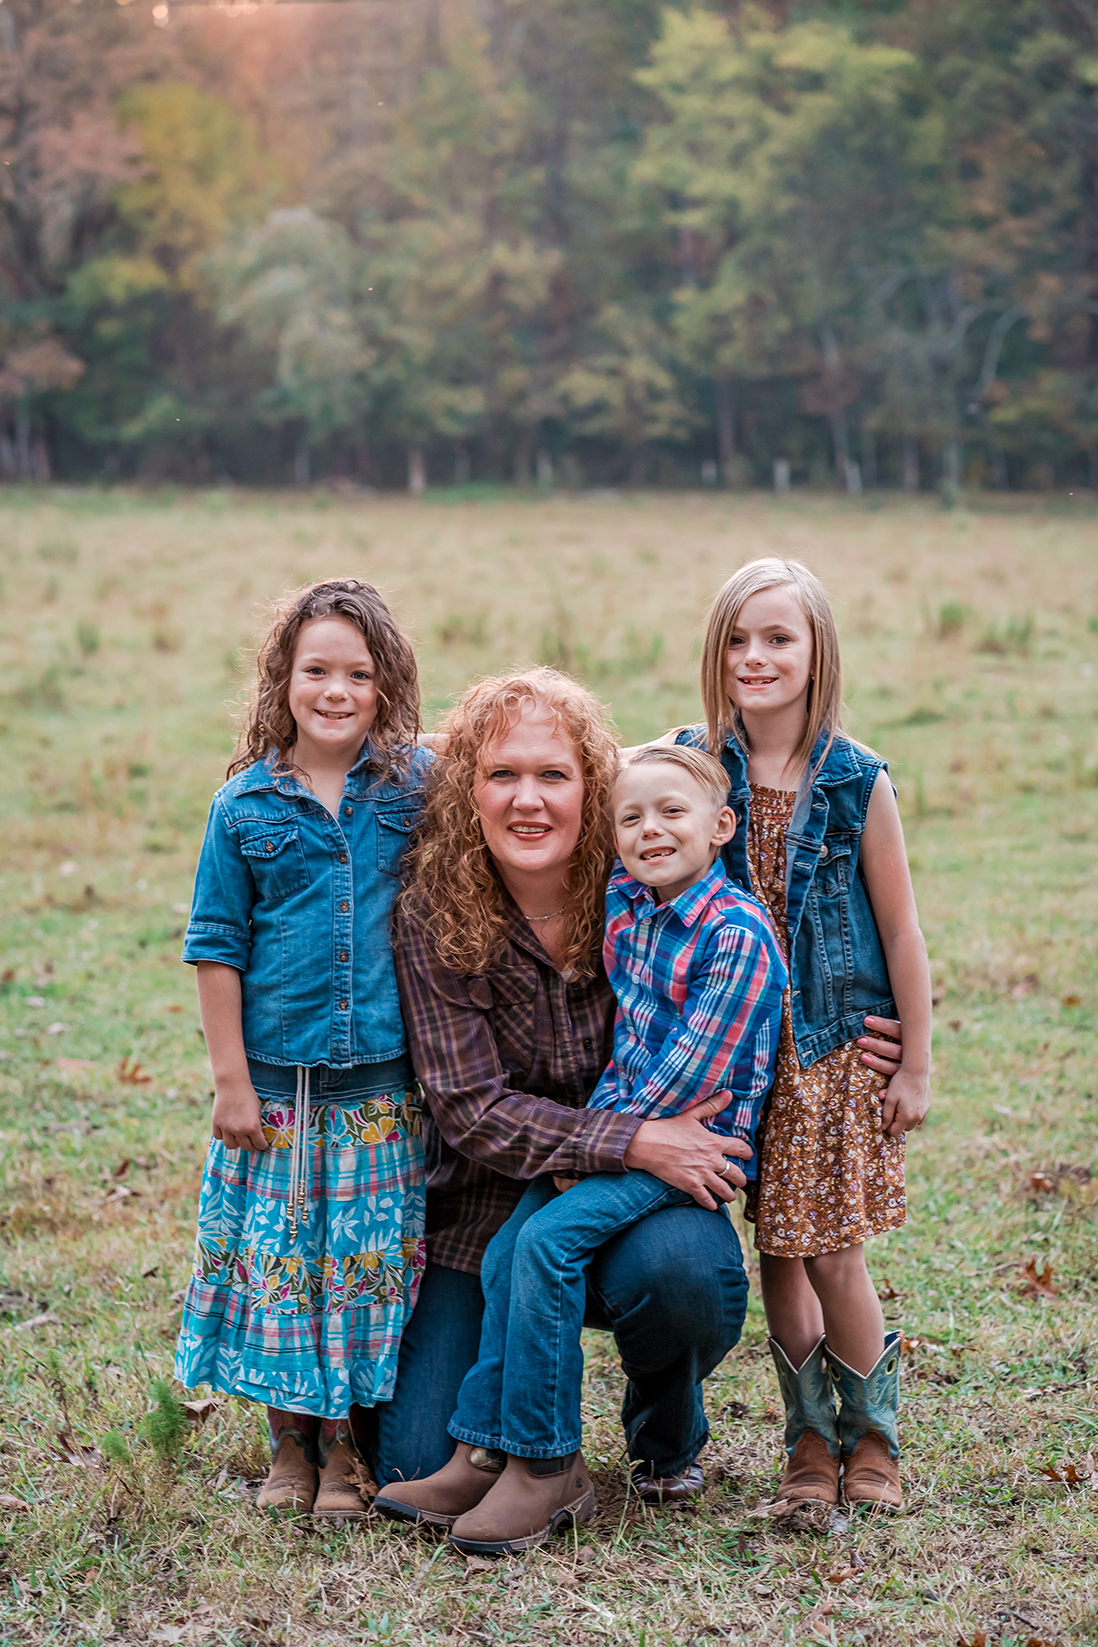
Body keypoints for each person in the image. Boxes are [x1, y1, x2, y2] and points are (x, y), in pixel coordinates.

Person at [370, 666, 905, 1509]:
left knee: (663, 1273)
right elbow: (470, 1109)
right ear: (466, 790)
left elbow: (709, 1039)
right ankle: (487, 1451)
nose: (528, 798)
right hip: (491, 1200)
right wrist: (620, 1138)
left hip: (656, 1177)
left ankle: (573, 1460)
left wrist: (893, 1022)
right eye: (499, 774)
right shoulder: (455, 908)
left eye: (555, 775)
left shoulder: (651, 894)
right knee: (408, 1453)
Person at [375, 742, 786, 1553]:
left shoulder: (735, 935)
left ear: (720, 826)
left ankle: (548, 1464)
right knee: (505, 1254)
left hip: (688, 1140)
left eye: (673, 814)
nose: (651, 829)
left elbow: (684, 1077)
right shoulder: (630, 902)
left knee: (550, 1244)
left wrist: (597, 1148)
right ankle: (478, 1447)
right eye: (632, 818)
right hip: (615, 1135)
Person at [674, 557, 931, 1513]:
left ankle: (876, 1438)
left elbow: (901, 928)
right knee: (778, 1253)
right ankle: (808, 1442)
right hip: (739, 1058)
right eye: (738, 639)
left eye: (779, 637)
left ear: (818, 649)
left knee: (835, 1254)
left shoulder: (858, 779)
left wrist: (918, 1057)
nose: (756, 656)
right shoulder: (694, 764)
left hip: (830, 1056)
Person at [175, 579, 430, 1519]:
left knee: (361, 1275)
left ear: (385, 684)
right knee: (285, 1272)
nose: (336, 690)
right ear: (283, 678)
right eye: (316, 669)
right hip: (279, 1095)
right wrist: (231, 1081)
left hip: (379, 1093)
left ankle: (345, 1453)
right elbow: (215, 945)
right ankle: (289, 1442)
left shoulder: (414, 787)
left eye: (358, 674)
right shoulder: (244, 806)